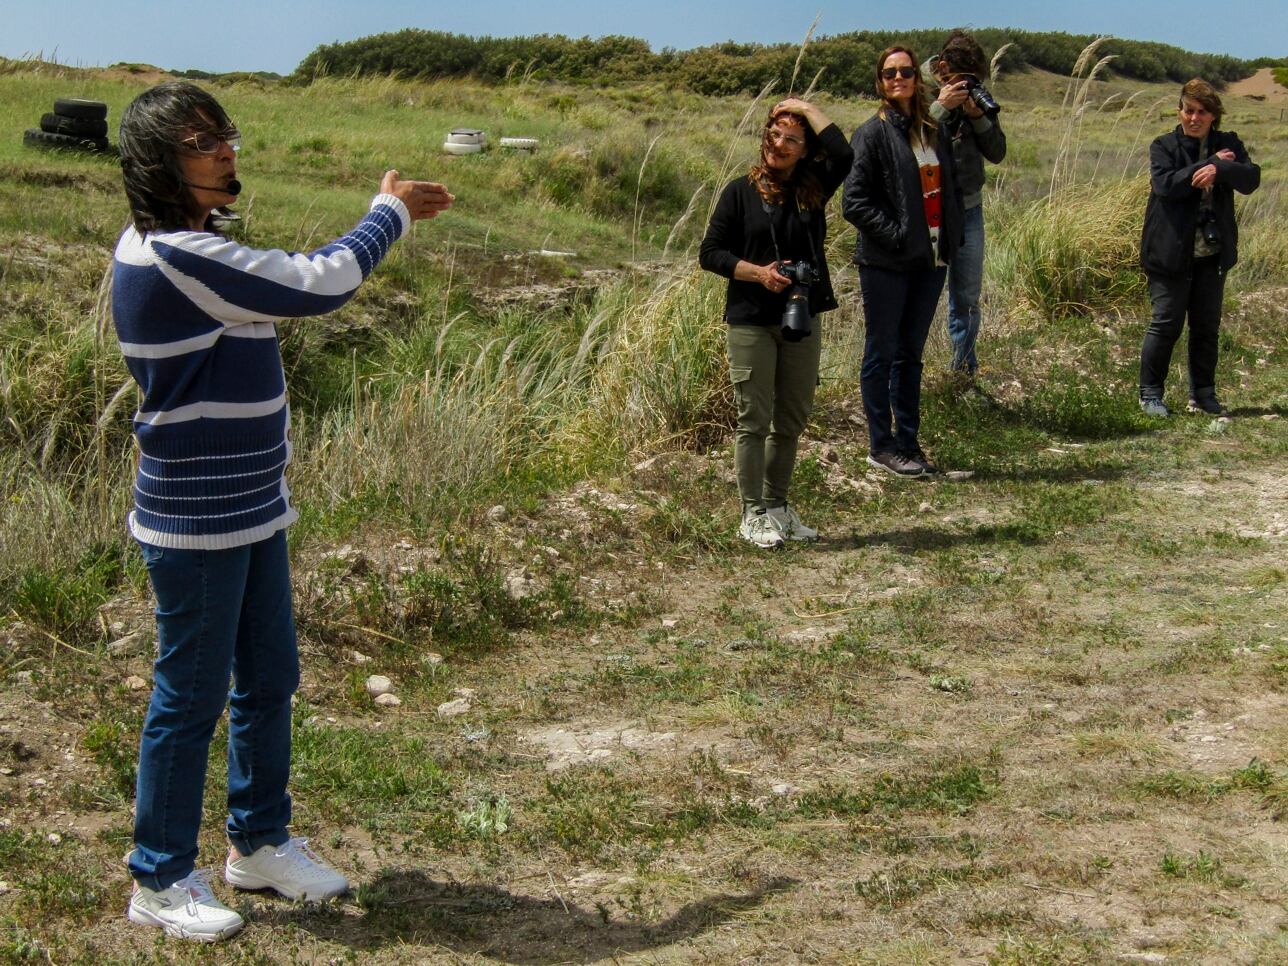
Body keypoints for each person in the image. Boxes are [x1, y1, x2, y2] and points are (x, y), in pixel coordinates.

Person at [112, 82, 452, 942]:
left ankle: (258, 844)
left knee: (268, 680)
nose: (227, 150)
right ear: (161, 164)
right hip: (197, 517)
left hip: (250, 504)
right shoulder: (177, 256)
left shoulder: (190, 245)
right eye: (203, 142)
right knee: (189, 698)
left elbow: (275, 287)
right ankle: (158, 878)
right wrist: (389, 211)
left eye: (224, 133)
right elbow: (317, 284)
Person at [700, 98, 853, 547]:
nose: (779, 145)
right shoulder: (738, 192)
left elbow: (842, 152)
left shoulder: (813, 189)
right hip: (750, 319)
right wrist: (759, 274)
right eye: (774, 135)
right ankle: (751, 514)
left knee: (791, 418)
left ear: (805, 149)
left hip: (800, 317)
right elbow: (709, 253)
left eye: (791, 138)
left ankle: (778, 507)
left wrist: (804, 106)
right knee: (754, 419)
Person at [843, 46, 964, 477]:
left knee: (911, 355)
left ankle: (909, 446)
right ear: (880, 82)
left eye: (906, 71)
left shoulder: (933, 130)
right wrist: (897, 236)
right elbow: (853, 203)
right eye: (890, 73)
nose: (899, 78)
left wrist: (951, 239)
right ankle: (881, 445)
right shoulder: (871, 134)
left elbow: (946, 191)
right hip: (886, 262)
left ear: (917, 77)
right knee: (881, 352)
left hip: (931, 260)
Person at [1138, 78, 1260, 417]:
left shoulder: (1228, 143)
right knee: (1166, 323)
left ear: (1213, 116)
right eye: (1188, 111)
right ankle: (1150, 394)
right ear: (1179, 112)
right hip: (1169, 252)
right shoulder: (1163, 146)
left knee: (1206, 325)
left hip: (1212, 254)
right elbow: (1166, 185)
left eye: (1202, 112)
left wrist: (1220, 167)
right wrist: (1202, 167)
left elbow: (1251, 178)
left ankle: (1203, 394)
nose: (1194, 118)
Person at [923, 30, 1007, 376]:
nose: (966, 86)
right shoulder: (924, 92)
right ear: (942, 69)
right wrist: (942, 107)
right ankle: (912, 369)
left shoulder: (977, 97)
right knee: (924, 294)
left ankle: (963, 369)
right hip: (931, 211)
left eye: (972, 81)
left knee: (967, 297)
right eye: (961, 80)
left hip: (969, 208)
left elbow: (998, 152)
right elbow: (911, 141)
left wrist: (977, 116)